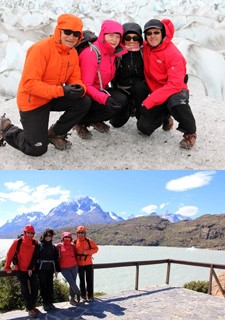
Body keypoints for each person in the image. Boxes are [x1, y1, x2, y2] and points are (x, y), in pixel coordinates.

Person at [0, 13, 92, 156]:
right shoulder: (40, 49)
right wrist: (62, 91)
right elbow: (30, 84)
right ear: (59, 31)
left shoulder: (72, 53)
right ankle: (6, 127)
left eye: (76, 34)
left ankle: (55, 133)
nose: (71, 37)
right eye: (67, 32)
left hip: (52, 96)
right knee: (36, 148)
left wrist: (80, 88)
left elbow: (75, 79)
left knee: (84, 101)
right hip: (33, 102)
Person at [139, 18, 197, 149]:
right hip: (157, 93)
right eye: (149, 33)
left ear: (163, 34)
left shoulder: (173, 54)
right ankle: (166, 115)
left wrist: (149, 101)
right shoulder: (147, 48)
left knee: (176, 102)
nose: (152, 36)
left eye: (156, 32)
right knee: (143, 128)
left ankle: (190, 132)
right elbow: (130, 41)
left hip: (175, 91)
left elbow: (174, 85)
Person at [74, 19, 129, 139]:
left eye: (117, 36)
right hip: (84, 94)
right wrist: (105, 99)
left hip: (99, 91)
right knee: (105, 102)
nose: (114, 40)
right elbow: (86, 85)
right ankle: (79, 121)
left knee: (121, 100)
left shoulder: (112, 53)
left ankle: (94, 119)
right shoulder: (91, 53)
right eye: (110, 35)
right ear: (103, 34)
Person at [112, 22, 150, 121]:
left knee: (140, 88)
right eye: (128, 38)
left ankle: (139, 110)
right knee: (117, 122)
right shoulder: (116, 53)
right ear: (122, 38)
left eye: (135, 38)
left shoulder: (144, 51)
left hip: (139, 91)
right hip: (122, 90)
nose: (131, 41)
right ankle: (128, 106)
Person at [4, 225, 38, 318]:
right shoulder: (17, 242)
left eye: (32, 233)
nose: (30, 234)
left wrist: (31, 267)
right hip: (20, 270)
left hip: (32, 270)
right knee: (25, 290)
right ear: (24, 232)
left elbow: (35, 257)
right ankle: (30, 308)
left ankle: (32, 306)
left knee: (35, 288)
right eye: (28, 232)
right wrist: (7, 267)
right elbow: (9, 254)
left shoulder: (35, 243)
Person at [31, 228, 60, 312]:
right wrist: (31, 268)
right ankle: (45, 303)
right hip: (41, 269)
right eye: (46, 236)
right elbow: (35, 257)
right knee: (43, 286)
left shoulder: (53, 247)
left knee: (50, 286)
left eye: (50, 236)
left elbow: (56, 258)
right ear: (44, 236)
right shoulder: (39, 246)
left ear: (51, 237)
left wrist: (56, 270)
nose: (48, 237)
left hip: (50, 269)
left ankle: (50, 302)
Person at [55, 231, 81, 306]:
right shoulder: (58, 246)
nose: (67, 239)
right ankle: (78, 293)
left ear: (70, 238)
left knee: (73, 282)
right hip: (64, 268)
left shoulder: (73, 246)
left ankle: (72, 299)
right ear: (63, 238)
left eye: (68, 237)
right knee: (72, 282)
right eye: (65, 237)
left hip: (74, 266)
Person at [74, 226, 98, 301]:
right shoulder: (74, 242)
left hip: (88, 264)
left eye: (82, 233)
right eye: (79, 233)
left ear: (85, 233)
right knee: (81, 281)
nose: (80, 234)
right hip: (80, 264)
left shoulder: (89, 241)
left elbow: (96, 249)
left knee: (89, 280)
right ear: (77, 233)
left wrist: (87, 252)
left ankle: (90, 296)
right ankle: (83, 296)